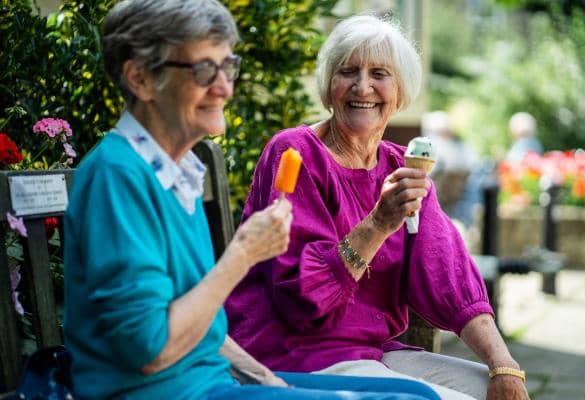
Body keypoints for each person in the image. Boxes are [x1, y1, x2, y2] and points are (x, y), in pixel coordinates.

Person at [62, 1, 441, 400]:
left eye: (228, 67)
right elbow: (149, 350)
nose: (224, 87)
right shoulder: (118, 177)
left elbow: (199, 324)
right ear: (139, 78)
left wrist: (263, 378)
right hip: (163, 392)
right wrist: (242, 254)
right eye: (204, 69)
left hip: (213, 382)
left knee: (422, 397)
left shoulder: (175, 173)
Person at [226, 15, 529, 400]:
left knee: (494, 390)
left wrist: (504, 365)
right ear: (328, 87)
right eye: (348, 71)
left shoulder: (402, 166)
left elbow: (449, 277)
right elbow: (301, 299)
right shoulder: (295, 153)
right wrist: (380, 222)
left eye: (379, 73)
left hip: (371, 352)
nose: (363, 86)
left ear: (400, 91)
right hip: (293, 354)